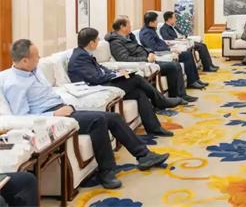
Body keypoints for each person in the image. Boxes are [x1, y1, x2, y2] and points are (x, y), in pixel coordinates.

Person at [1, 40, 169, 189]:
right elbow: (21, 117)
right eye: (36, 56)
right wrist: (54, 114)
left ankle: (144, 155)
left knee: (113, 118)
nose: (39, 58)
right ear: (24, 60)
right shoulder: (14, 84)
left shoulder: (34, 70)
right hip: (53, 119)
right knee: (97, 120)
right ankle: (107, 171)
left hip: (63, 108)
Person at [68, 27, 177, 137]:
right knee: (137, 79)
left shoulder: (84, 53)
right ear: (91, 43)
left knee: (139, 93)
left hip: (102, 83)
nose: (98, 41)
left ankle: (154, 128)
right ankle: (161, 101)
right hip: (97, 88)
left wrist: (116, 72)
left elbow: (101, 69)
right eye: (97, 39)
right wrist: (114, 75)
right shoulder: (80, 57)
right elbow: (96, 78)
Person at [106, 17, 198, 103]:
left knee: (175, 65)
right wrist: (146, 59)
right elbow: (124, 59)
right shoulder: (116, 42)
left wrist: (150, 52)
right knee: (173, 66)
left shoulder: (129, 37)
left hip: (150, 59)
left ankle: (181, 95)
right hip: (143, 64)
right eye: (129, 24)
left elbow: (141, 47)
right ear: (122, 27)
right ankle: (177, 96)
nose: (131, 26)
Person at [140, 11, 208, 90]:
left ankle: (195, 79)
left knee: (188, 54)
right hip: (160, 54)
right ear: (151, 22)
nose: (157, 22)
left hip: (165, 50)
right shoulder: (146, 33)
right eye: (156, 20)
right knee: (186, 55)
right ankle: (192, 82)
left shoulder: (150, 29)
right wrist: (170, 50)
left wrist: (168, 44)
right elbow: (154, 48)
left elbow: (159, 42)